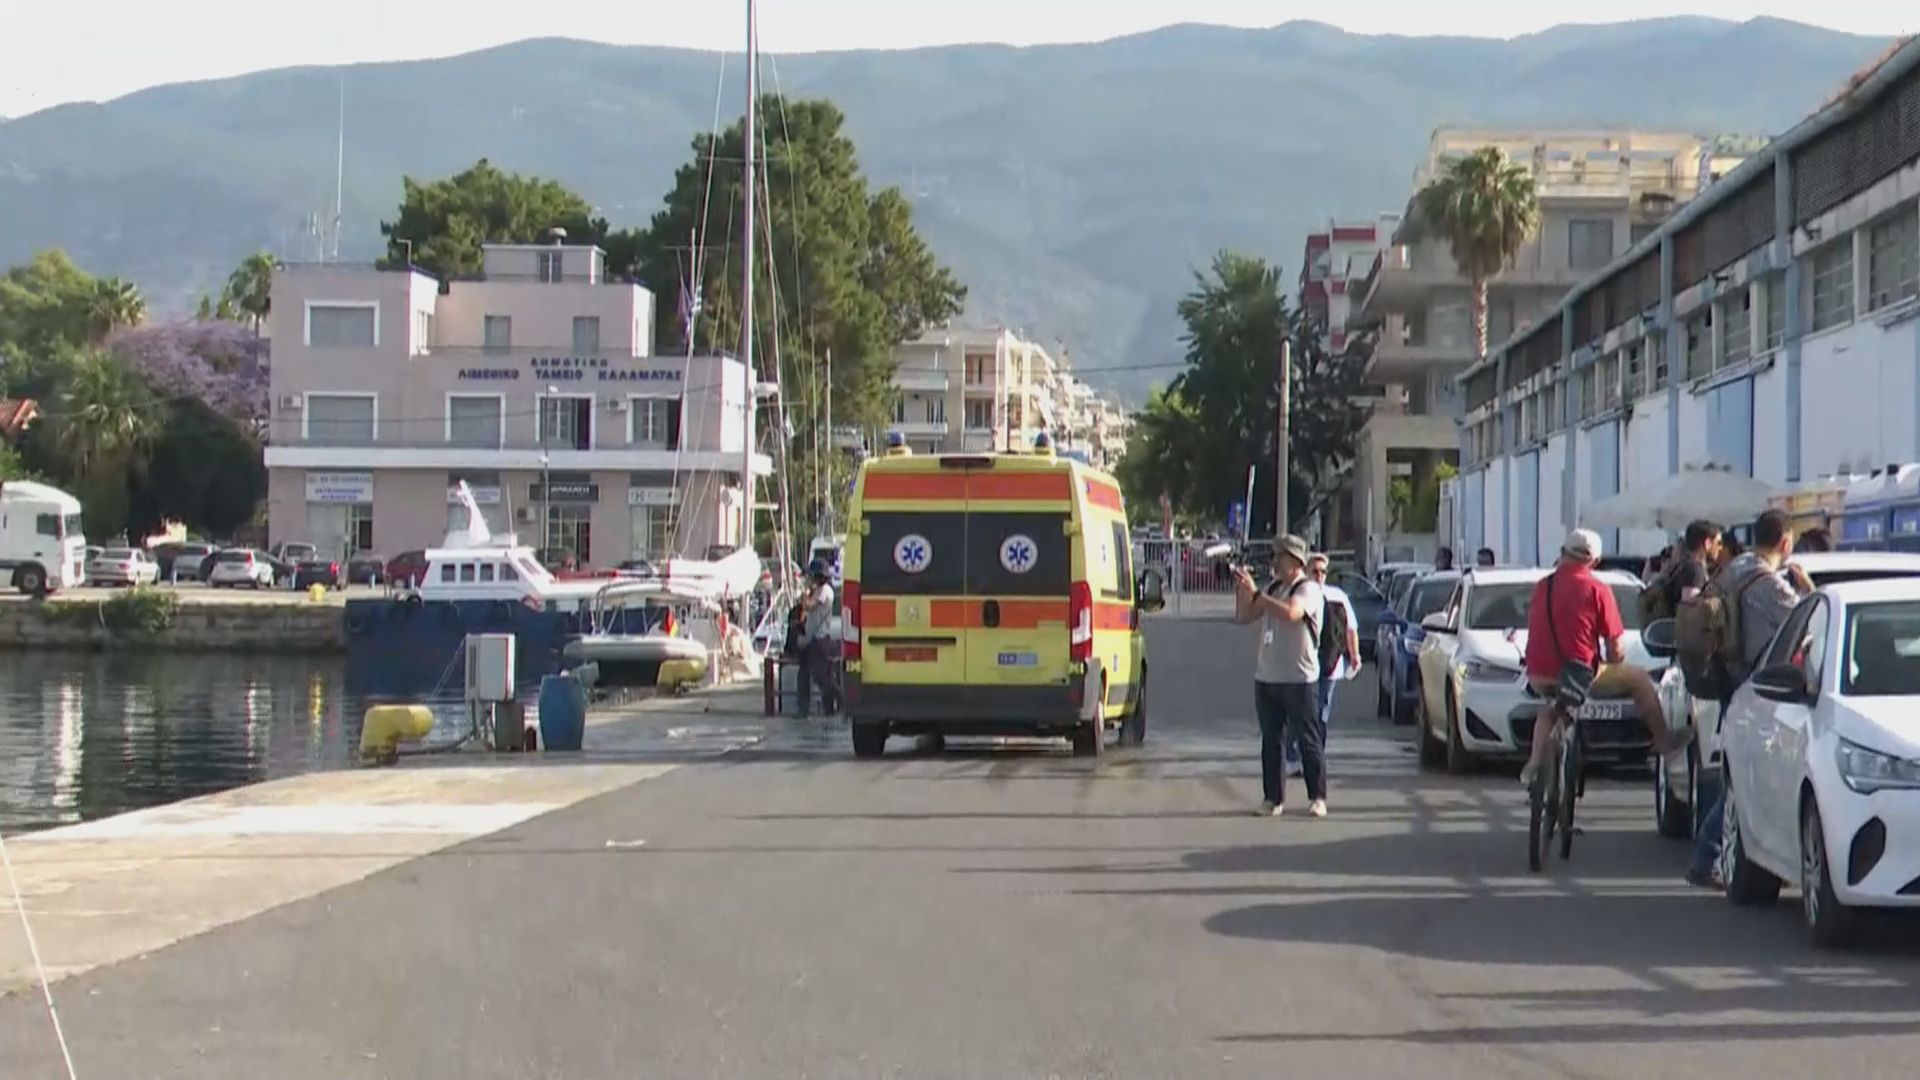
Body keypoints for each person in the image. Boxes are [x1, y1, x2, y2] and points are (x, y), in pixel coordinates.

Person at [1686, 509, 1815, 887]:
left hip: (1733, 684)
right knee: (1744, 784)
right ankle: (1708, 856)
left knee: (1740, 779)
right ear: (1786, 542)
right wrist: (1808, 589)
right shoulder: (1771, 585)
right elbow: (1812, 622)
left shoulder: (1736, 569)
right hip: (1761, 693)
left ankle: (1726, 856)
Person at [1521, 529, 1690, 789]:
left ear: (1563, 553)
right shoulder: (1597, 589)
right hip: (1581, 674)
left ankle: (1534, 763)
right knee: (1638, 679)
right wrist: (1613, 663)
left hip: (1539, 674)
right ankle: (1664, 741)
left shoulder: (1543, 586)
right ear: (1595, 561)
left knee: (1550, 708)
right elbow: (1615, 644)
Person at [1232, 534, 1329, 818]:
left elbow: (1291, 613)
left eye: (1280, 557)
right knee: (1271, 741)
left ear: (1295, 562)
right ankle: (1272, 798)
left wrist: (1258, 595)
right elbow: (1245, 616)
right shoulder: (1273, 588)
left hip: (1300, 678)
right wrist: (1243, 590)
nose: (1274, 562)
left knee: (1308, 739)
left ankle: (1317, 796)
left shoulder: (1308, 589)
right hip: (1268, 676)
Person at [1297, 553, 1361, 766]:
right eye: (1315, 571)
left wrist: (1355, 655)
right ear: (1306, 573)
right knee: (1304, 711)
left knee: (1322, 710)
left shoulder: (1337, 596)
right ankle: (1299, 754)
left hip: (1331, 664)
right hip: (1303, 664)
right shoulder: (1299, 595)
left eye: (1323, 571)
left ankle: (1316, 754)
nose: (1319, 575)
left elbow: (1350, 628)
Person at [794, 560, 840, 717]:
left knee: (823, 678)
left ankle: (836, 706)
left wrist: (805, 593)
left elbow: (808, 605)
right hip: (811, 638)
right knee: (806, 674)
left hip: (819, 639)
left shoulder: (825, 591)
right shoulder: (818, 590)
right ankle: (803, 709)